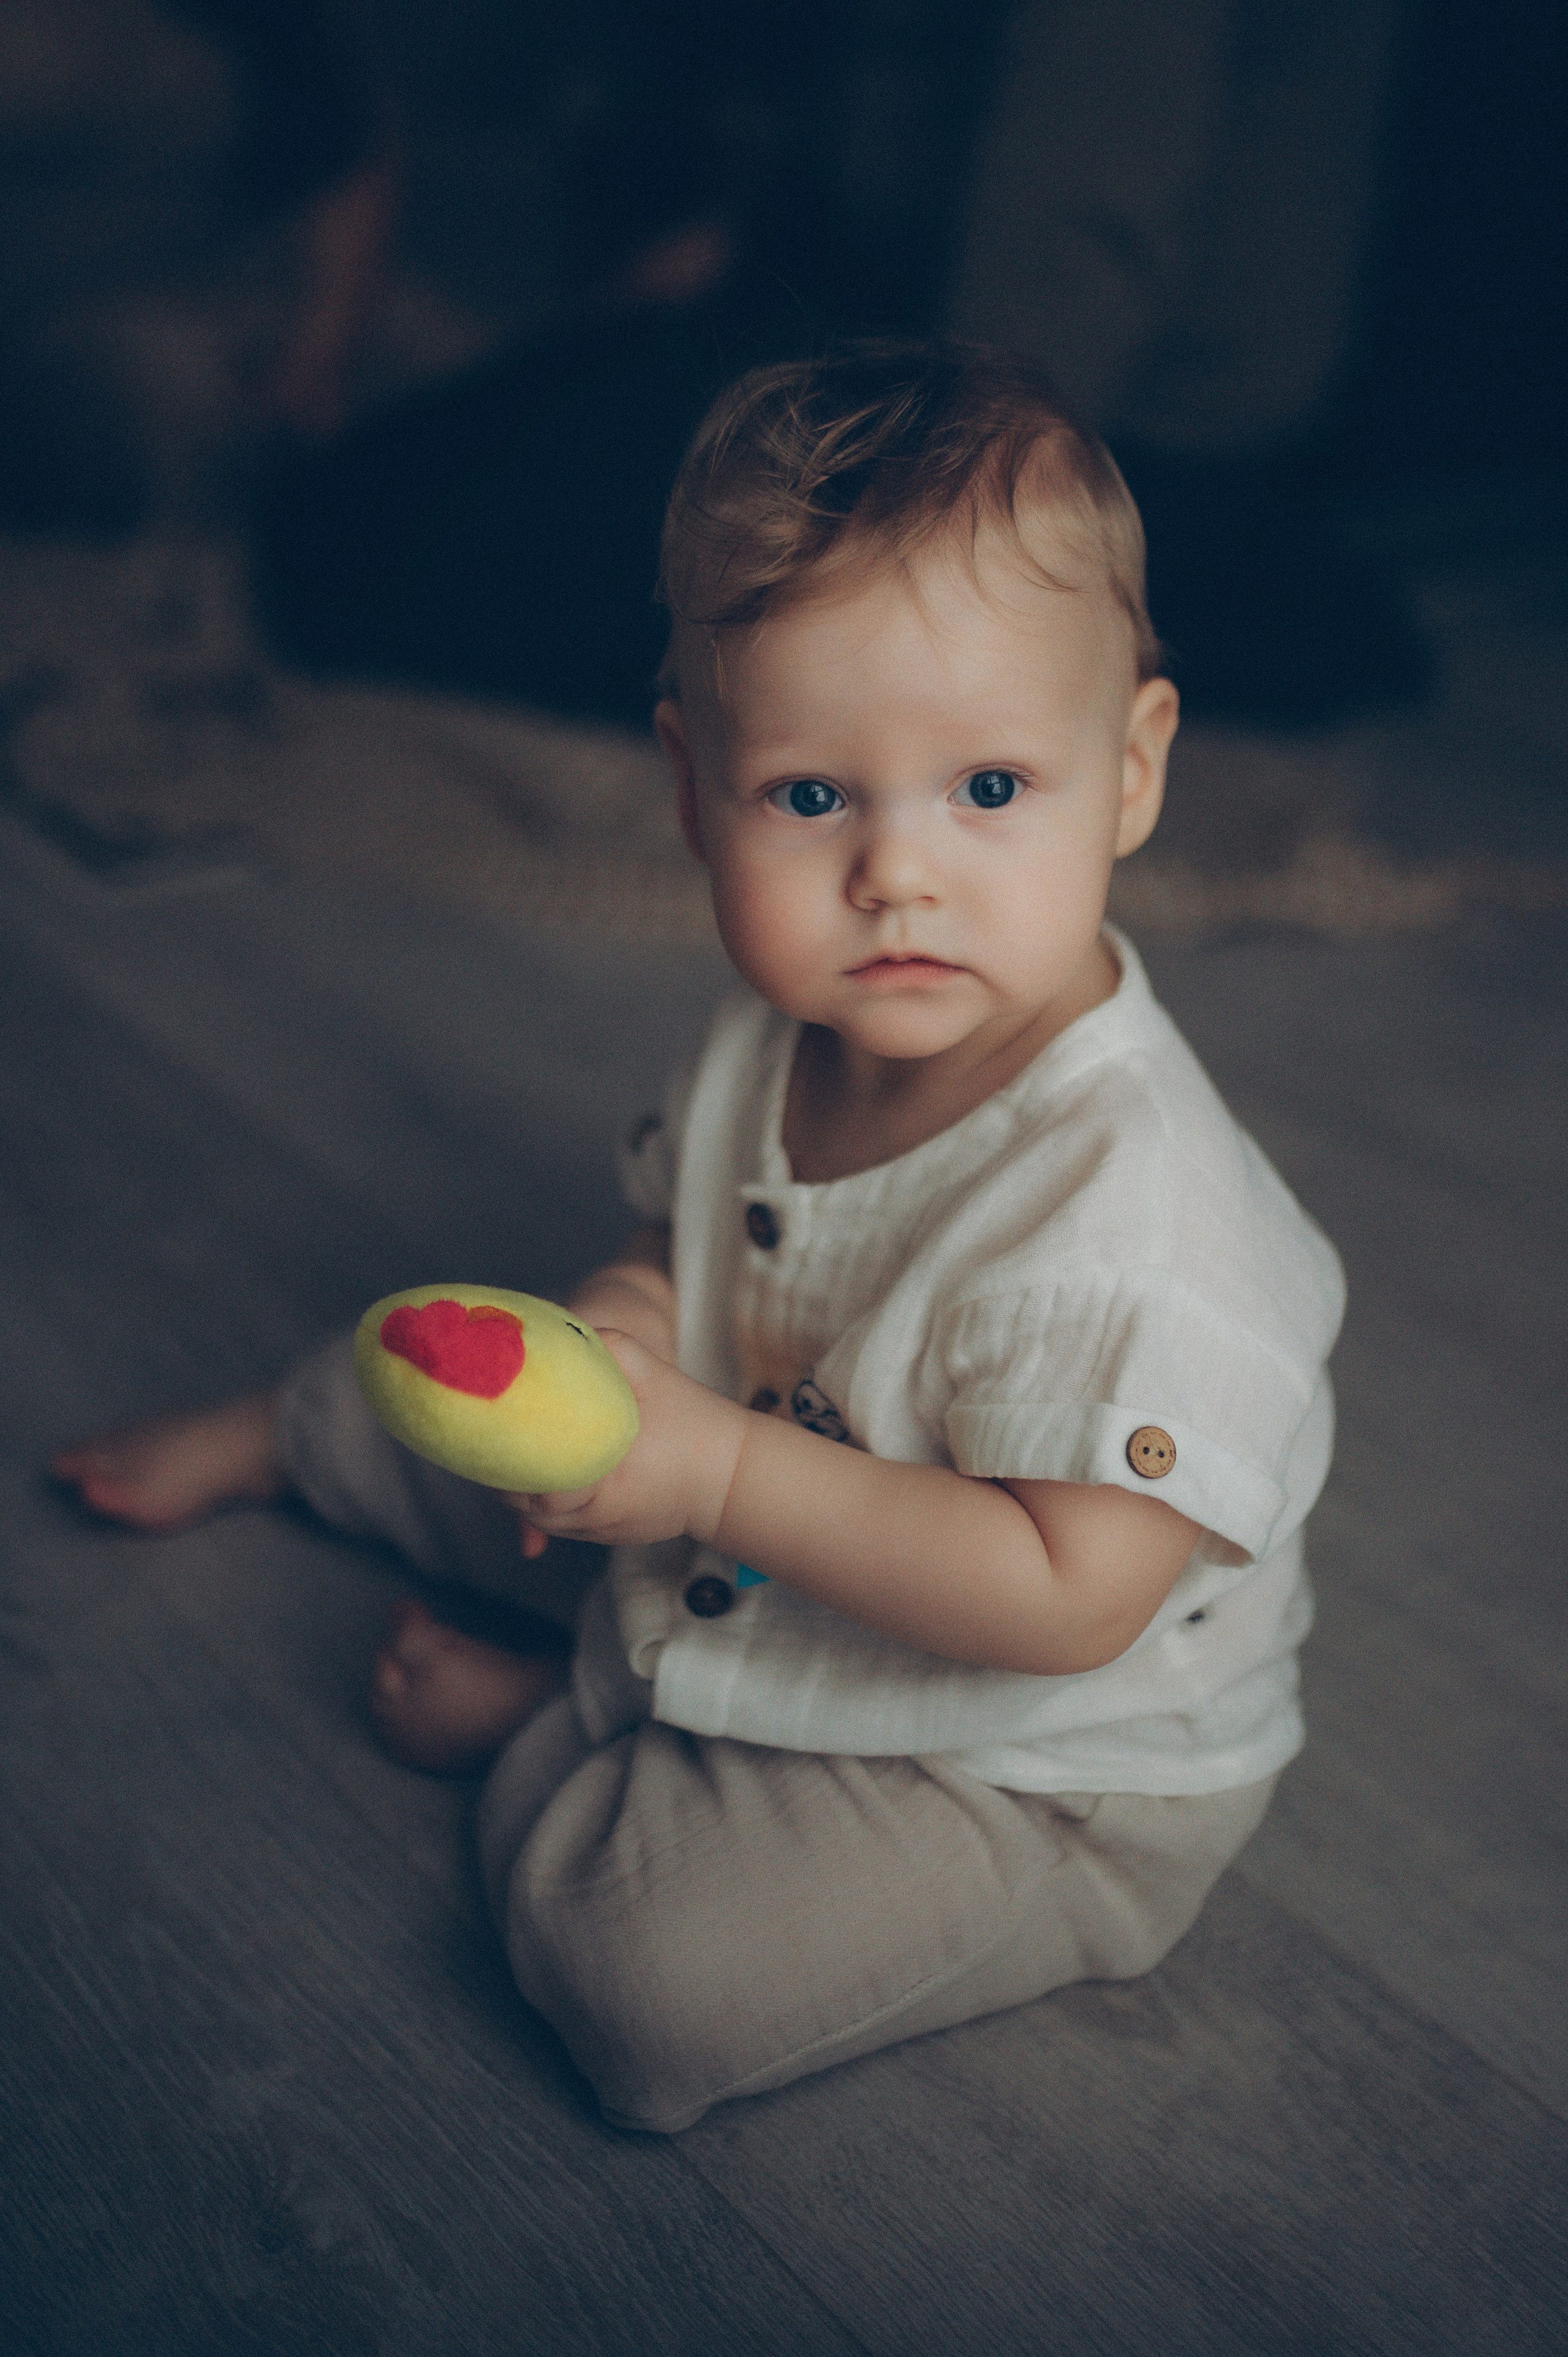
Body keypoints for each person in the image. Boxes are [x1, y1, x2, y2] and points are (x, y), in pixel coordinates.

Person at [54, 342, 1345, 2133]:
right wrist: (633, 1328)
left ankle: (555, 1725)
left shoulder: (1134, 1220)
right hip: (771, 1518)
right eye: (813, 798)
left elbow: (1069, 1602)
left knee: (650, 1986)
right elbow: (689, 1250)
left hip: (1024, 1762)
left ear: (1130, 773)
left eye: (989, 791)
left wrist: (714, 1473)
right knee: (497, 1395)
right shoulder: (782, 1028)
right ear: (693, 785)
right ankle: (306, 1430)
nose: (898, 873)